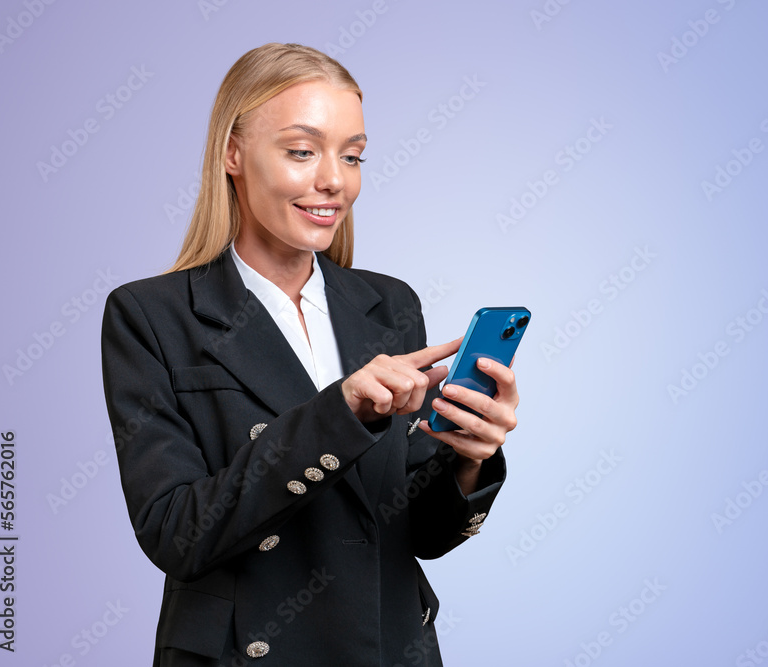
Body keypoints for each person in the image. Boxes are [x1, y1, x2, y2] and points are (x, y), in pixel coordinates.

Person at [100, 42, 519, 667]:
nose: (334, 179)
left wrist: (470, 461)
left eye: (352, 156)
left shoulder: (389, 304)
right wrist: (341, 410)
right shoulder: (151, 315)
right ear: (232, 154)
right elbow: (176, 533)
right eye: (302, 151)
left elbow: (422, 536)